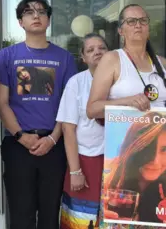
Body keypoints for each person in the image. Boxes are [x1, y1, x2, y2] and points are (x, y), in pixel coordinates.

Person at [0, 0, 77, 229]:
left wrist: (53, 138)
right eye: (29, 12)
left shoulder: (64, 58)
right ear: (21, 21)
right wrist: (21, 136)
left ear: (49, 20)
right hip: (18, 145)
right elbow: (1, 103)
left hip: (55, 143)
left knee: (51, 212)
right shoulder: (6, 56)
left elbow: (69, 106)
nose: (36, 16)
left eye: (41, 12)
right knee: (21, 214)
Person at [103, 111, 166, 226]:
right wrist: (105, 220)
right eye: (147, 148)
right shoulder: (108, 174)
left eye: (165, 149)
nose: (156, 161)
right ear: (132, 148)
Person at [56, 33, 109, 228]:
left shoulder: (122, 83)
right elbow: (68, 128)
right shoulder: (76, 83)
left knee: (114, 216)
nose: (97, 52)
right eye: (90, 50)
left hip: (116, 162)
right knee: (81, 220)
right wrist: (75, 171)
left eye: (102, 48)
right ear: (83, 57)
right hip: (85, 160)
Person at [86, 3, 166, 120]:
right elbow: (92, 110)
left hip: (159, 134)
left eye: (143, 20)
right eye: (131, 21)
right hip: (125, 135)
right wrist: (127, 101)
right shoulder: (112, 59)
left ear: (148, 28)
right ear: (121, 31)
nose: (138, 25)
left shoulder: (162, 62)